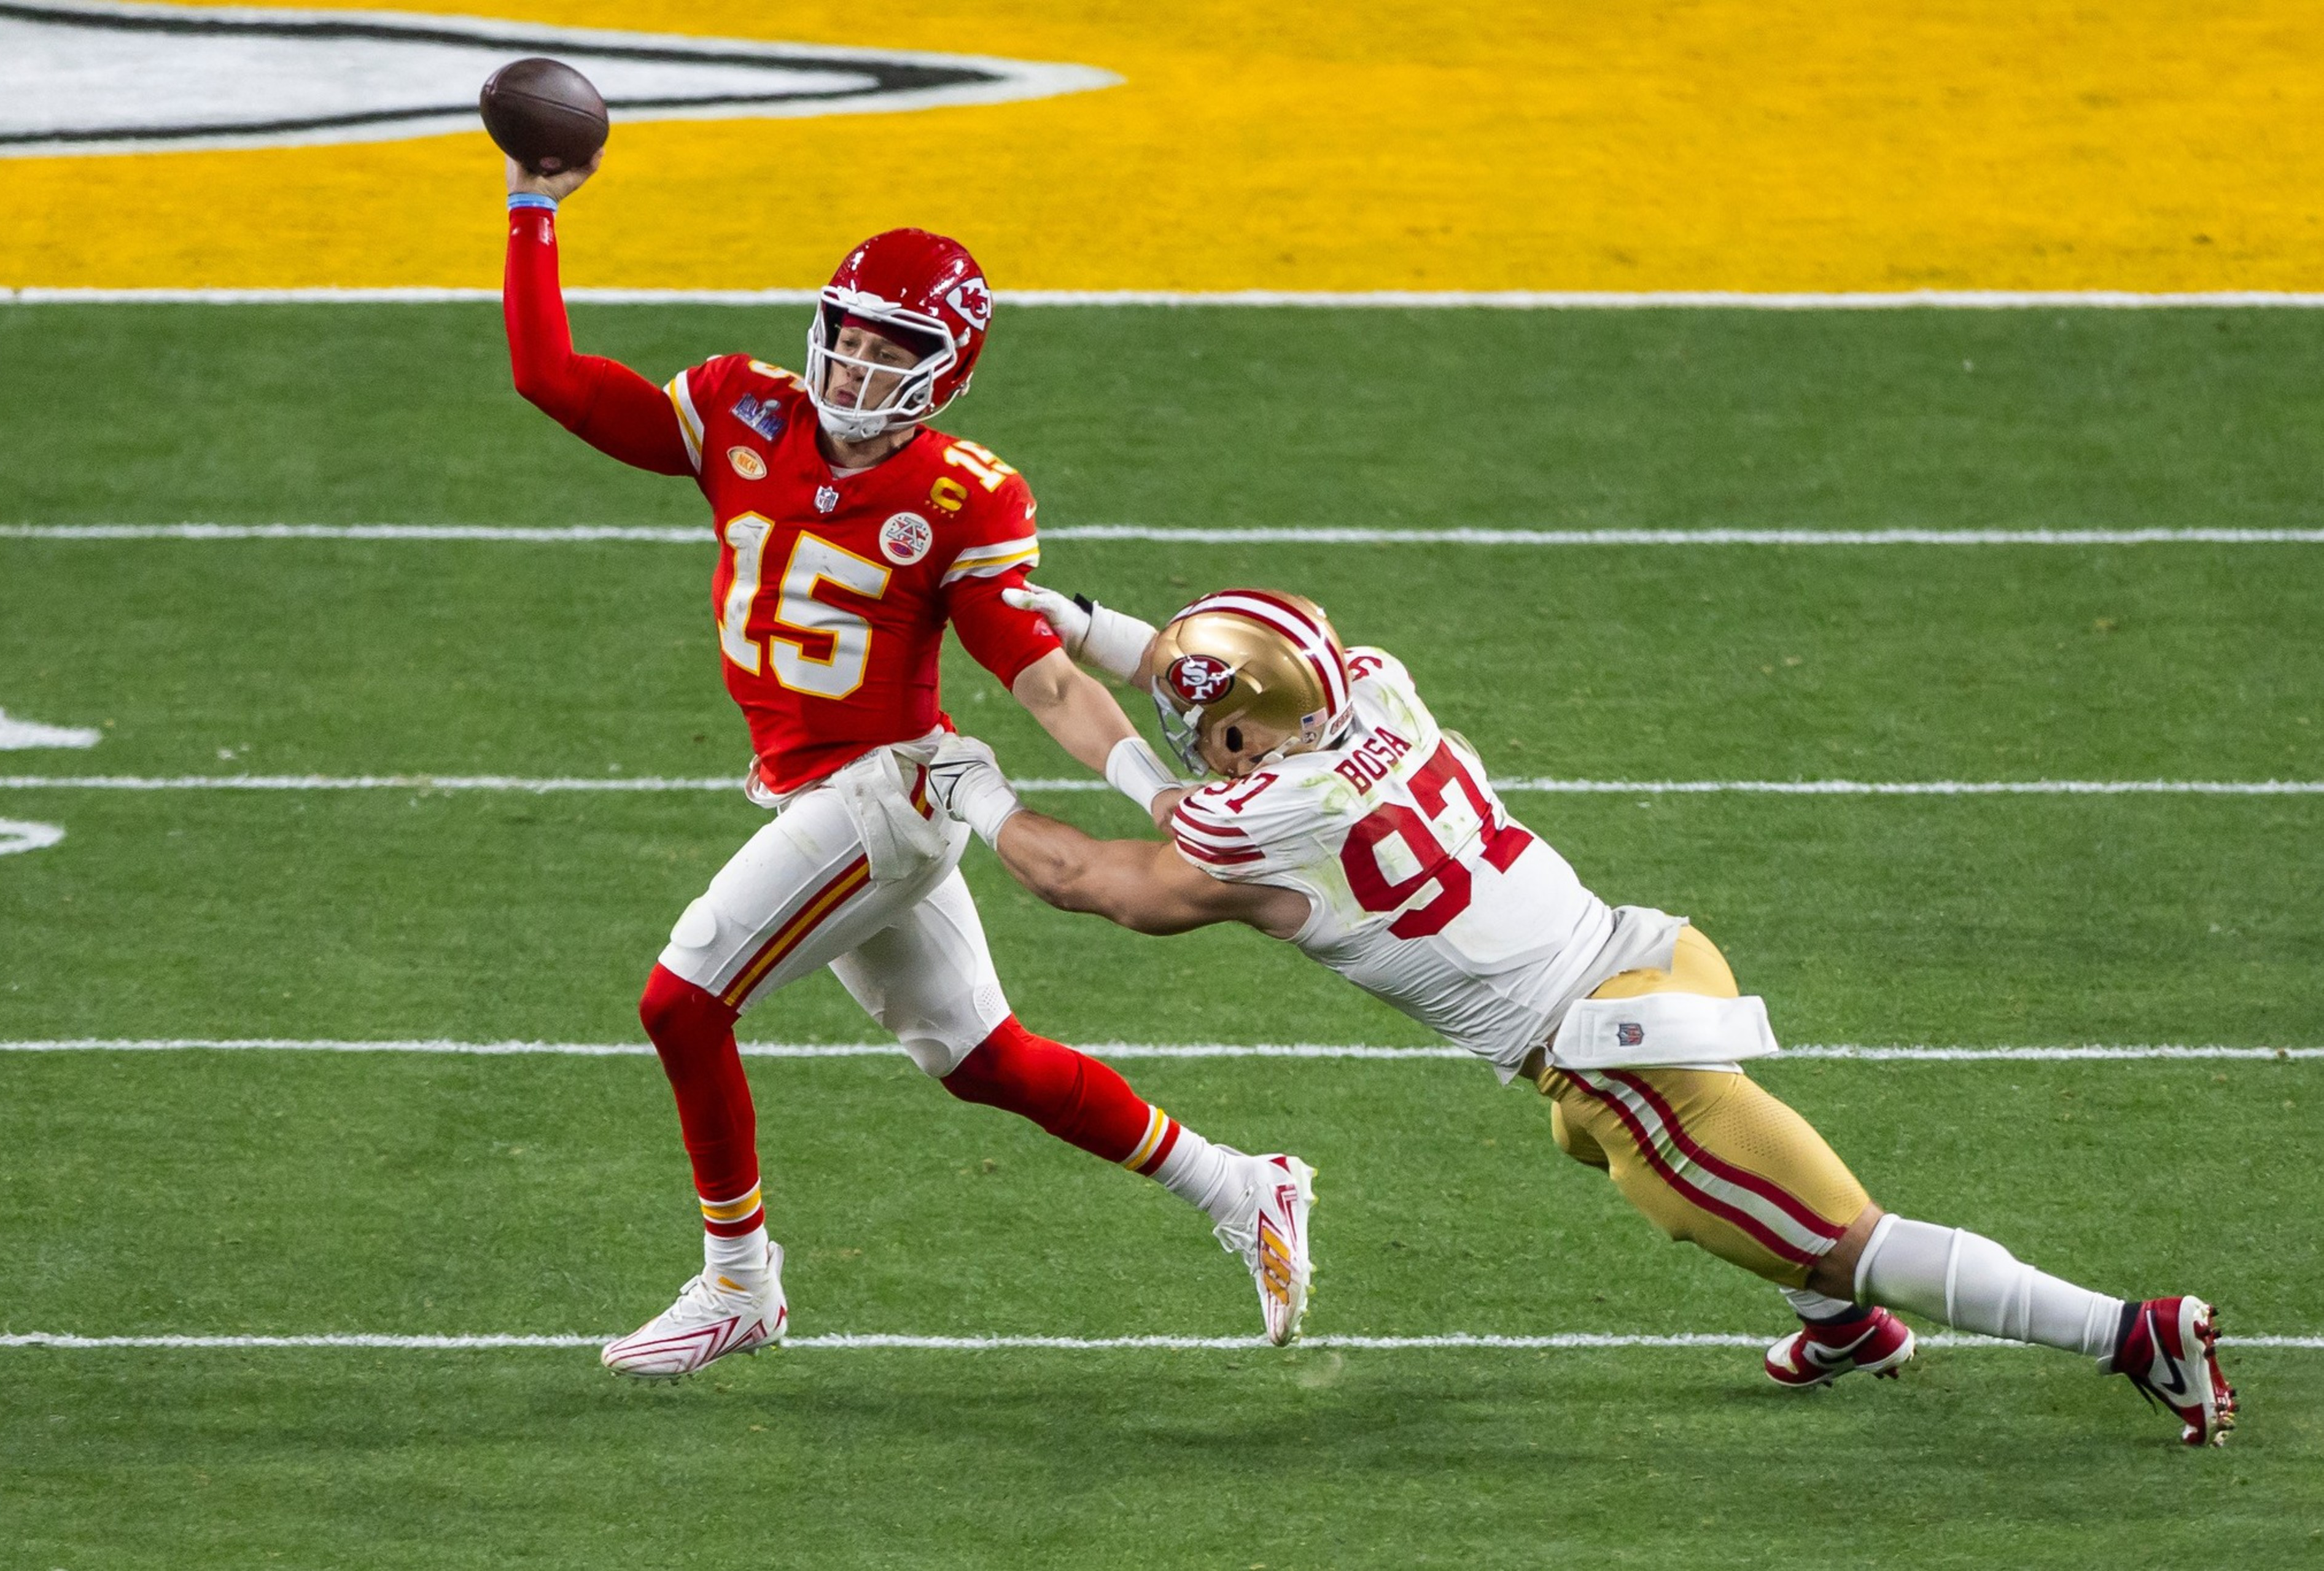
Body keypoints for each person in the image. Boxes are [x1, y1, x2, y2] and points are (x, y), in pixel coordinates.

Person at [923, 583, 2237, 1446]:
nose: (1187, 728)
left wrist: (972, 788)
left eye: (1203, 719)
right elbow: (1240, 709)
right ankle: (1846, 1330)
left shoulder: (1256, 817)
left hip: (1615, 1051)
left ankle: (2131, 1333)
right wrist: (1085, 622)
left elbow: (1097, 877)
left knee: (1847, 1232)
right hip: (1654, 953)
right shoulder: (1372, 685)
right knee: (1588, 1143)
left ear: (1246, 731)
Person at [500, 153, 1313, 1375]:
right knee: (983, 1060)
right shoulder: (743, 410)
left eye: (892, 350)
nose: (855, 367)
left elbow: (1043, 675)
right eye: (847, 336)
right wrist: (533, 205)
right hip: (819, 791)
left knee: (683, 1002)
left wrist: (1157, 793)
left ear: (946, 372)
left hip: (886, 795)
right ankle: (1242, 1185)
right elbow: (551, 379)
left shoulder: (959, 496)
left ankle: (740, 1283)